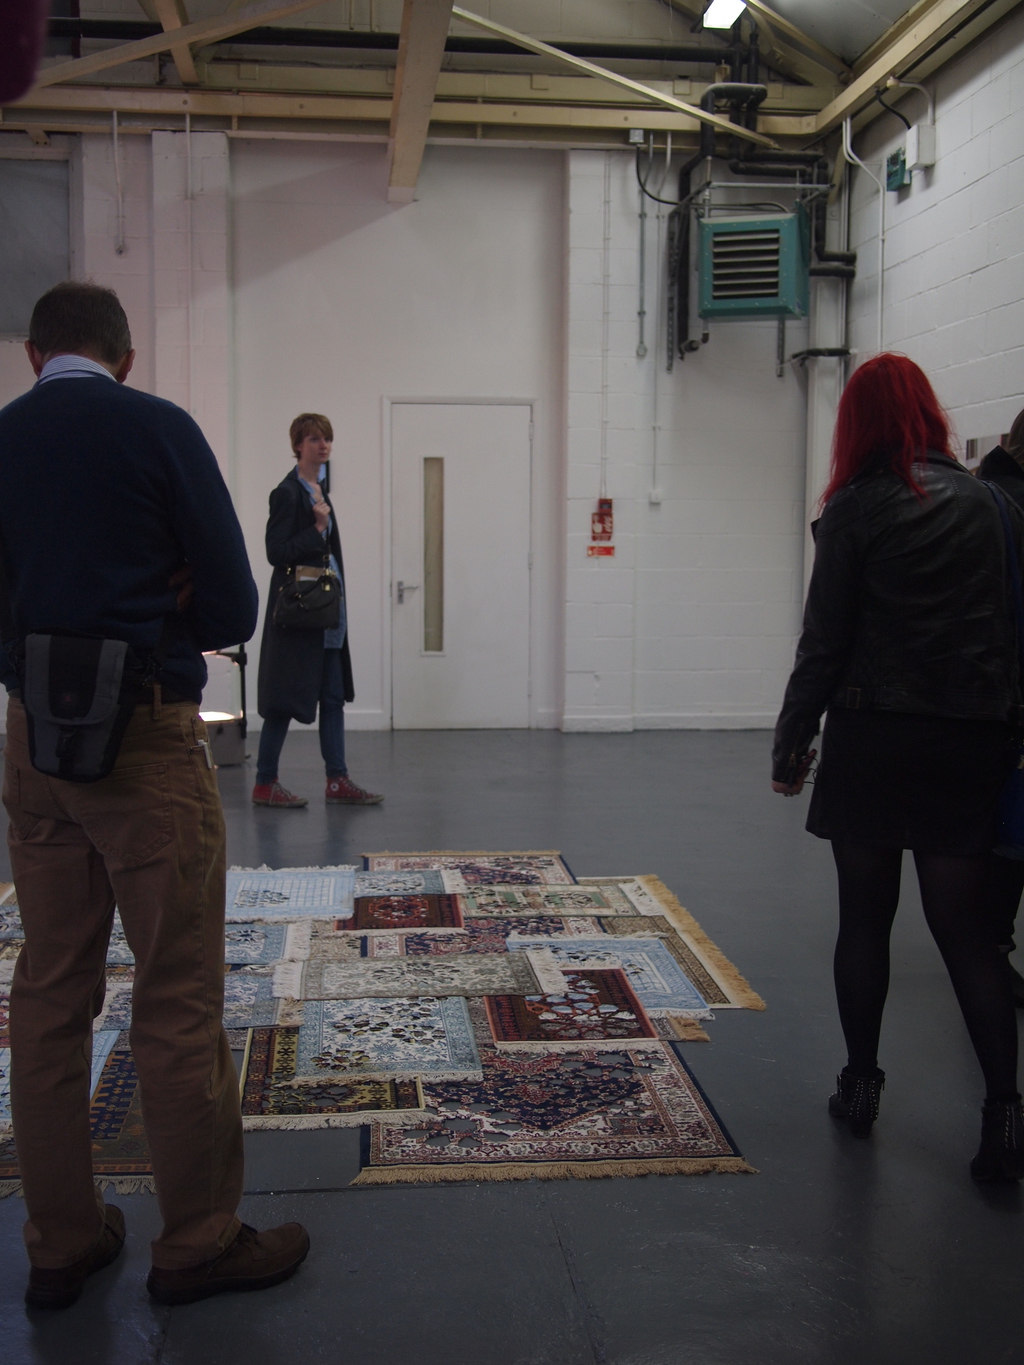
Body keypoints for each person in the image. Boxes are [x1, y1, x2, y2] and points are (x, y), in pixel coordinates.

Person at [0, 282, 310, 1309]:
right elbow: (231, 605)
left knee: (49, 992)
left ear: (35, 353)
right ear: (125, 358)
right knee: (176, 993)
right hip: (145, 738)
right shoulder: (158, 430)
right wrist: (165, 597)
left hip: (33, 743)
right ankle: (196, 1243)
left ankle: (60, 1241)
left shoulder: (4, 438)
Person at [772, 353, 1024, 1182]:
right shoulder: (992, 505)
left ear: (859, 423)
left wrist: (791, 742)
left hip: (874, 738)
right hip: (967, 742)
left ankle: (860, 1086)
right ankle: (1004, 1117)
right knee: (969, 934)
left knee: (865, 921)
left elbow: (824, 641)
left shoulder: (855, 507)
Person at [254, 413, 383, 807]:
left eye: (326, 438)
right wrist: (315, 529)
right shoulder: (287, 493)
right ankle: (264, 783)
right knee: (284, 698)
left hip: (326, 612)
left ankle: (337, 780)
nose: (322, 445)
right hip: (301, 613)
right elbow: (276, 552)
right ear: (298, 445)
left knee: (332, 696)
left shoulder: (318, 490)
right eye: (313, 439)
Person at [977, 407, 1024, 1008]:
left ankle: (991, 945)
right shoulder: (1004, 506)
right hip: (1003, 690)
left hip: (992, 690)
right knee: (1010, 836)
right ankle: (991, 949)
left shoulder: (987, 495)